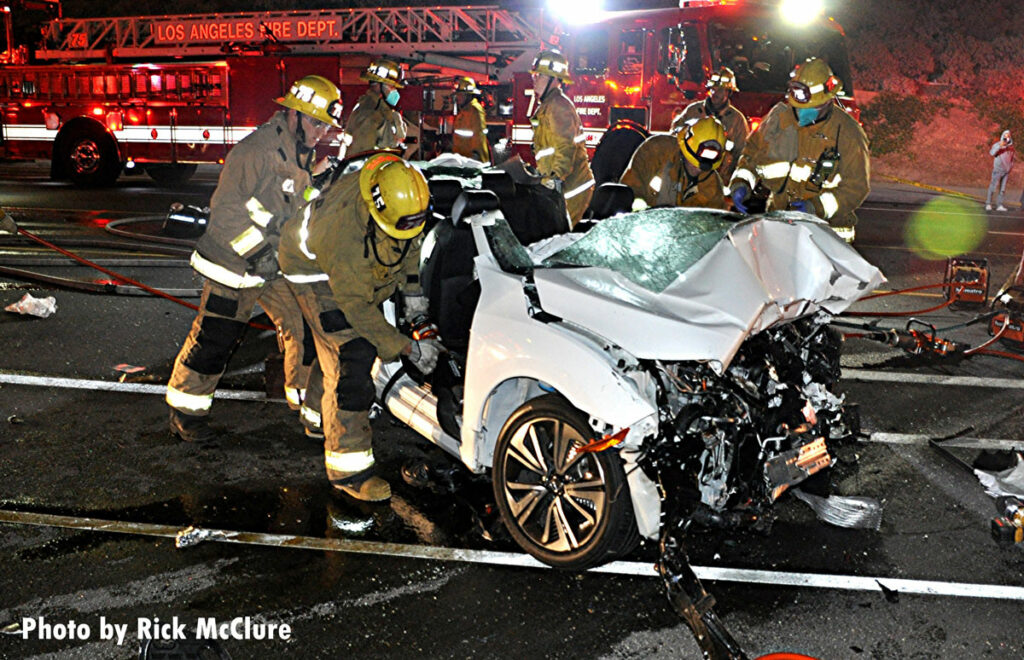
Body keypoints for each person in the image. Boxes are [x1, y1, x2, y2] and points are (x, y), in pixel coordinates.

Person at [166, 75, 344, 443]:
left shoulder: (300, 151)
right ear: (293, 114)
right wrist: (260, 254)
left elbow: (292, 200)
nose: (320, 133)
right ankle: (186, 412)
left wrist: (321, 182)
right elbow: (227, 211)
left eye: (325, 126)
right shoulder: (255, 151)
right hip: (233, 263)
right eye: (316, 123)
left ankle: (306, 406)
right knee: (217, 337)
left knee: (303, 324)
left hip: (274, 261)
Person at [278, 153, 438, 501]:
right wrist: (406, 346)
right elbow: (357, 309)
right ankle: (349, 471)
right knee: (351, 354)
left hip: (344, 271)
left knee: (331, 348)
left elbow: (408, 245)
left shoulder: (401, 198)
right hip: (313, 274)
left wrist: (416, 303)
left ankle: (316, 418)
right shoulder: (344, 236)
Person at [729, 57, 869, 243]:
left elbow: (856, 187)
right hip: (780, 228)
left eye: (810, 108)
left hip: (826, 236)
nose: (801, 113)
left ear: (827, 100)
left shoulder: (847, 132)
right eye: (797, 106)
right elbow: (752, 152)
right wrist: (741, 182)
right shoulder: (780, 119)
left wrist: (816, 207)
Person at [530, 50, 595, 227]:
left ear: (554, 80)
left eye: (540, 76)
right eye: (535, 75)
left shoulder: (558, 106)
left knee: (561, 239)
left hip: (571, 189)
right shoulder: (548, 105)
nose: (535, 80)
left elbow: (566, 146)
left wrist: (556, 178)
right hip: (560, 186)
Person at [620, 116, 729, 210]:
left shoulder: (713, 186)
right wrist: (638, 207)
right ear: (686, 147)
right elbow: (629, 187)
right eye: (694, 161)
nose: (698, 168)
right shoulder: (657, 151)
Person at [670, 67, 749, 181]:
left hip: (719, 180)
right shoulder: (693, 111)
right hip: (688, 175)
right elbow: (674, 136)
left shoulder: (737, 120)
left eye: (720, 90)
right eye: (713, 89)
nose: (715, 93)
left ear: (729, 92)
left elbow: (743, 153)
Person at [345, 58, 408, 157]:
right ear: (378, 85)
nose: (395, 91)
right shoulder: (369, 111)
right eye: (392, 86)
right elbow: (362, 152)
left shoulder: (381, 109)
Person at [451, 77, 490, 163]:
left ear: (468, 95)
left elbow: (478, 136)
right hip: (463, 160)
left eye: (460, 95)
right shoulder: (463, 111)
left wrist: (475, 157)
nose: (458, 98)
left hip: (472, 162)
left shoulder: (475, 110)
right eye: (458, 95)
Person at [986, 130, 1014, 212]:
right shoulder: (998, 144)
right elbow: (992, 153)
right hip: (998, 170)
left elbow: (1011, 159)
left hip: (1006, 171)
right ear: (1002, 136)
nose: (1007, 137)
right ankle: (988, 203)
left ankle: (999, 205)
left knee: (1002, 189)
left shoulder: (1011, 147)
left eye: (1008, 136)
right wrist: (1000, 146)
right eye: (1005, 135)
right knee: (993, 186)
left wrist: (1010, 167)